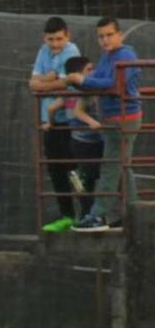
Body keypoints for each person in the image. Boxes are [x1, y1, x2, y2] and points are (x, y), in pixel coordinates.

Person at [69, 17, 142, 232]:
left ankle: (98, 216)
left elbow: (113, 85)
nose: (105, 40)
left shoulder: (126, 55)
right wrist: (80, 81)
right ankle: (133, 214)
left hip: (125, 119)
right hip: (114, 120)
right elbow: (98, 80)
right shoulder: (107, 57)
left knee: (111, 166)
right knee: (122, 166)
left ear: (119, 34)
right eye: (101, 36)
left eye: (109, 35)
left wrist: (81, 81)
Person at [29, 16, 80, 232]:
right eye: (51, 39)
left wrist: (46, 80)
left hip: (68, 120)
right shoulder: (43, 51)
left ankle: (90, 212)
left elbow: (68, 82)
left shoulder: (72, 51)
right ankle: (67, 215)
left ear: (67, 35)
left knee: (74, 170)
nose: (55, 44)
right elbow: (32, 84)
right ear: (45, 38)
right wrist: (51, 80)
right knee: (56, 170)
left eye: (59, 39)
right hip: (48, 123)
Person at [44, 56, 103, 217]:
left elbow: (51, 108)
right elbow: (78, 111)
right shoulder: (86, 90)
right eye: (89, 70)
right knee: (89, 177)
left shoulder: (68, 91)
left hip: (77, 141)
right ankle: (92, 213)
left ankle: (87, 212)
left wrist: (50, 123)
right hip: (90, 140)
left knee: (82, 179)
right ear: (78, 74)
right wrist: (93, 122)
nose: (94, 72)